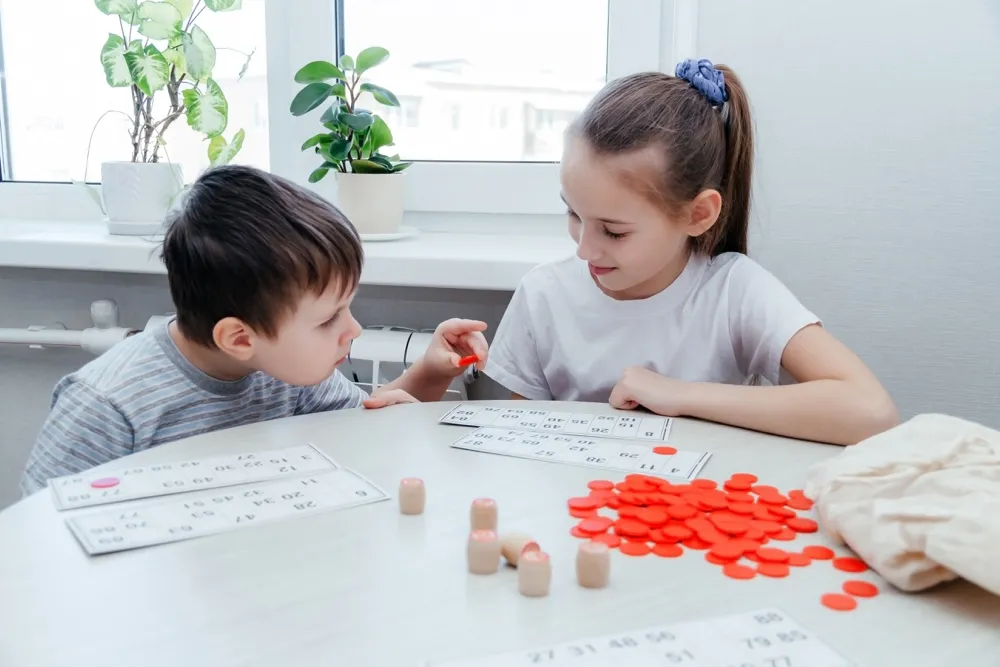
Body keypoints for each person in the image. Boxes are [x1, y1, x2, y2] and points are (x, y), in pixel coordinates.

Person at [484, 59, 897, 446]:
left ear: (698, 215)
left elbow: (872, 412)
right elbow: (523, 443)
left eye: (613, 231)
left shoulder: (734, 291)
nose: (584, 249)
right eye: (574, 213)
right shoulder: (543, 295)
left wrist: (680, 395)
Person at [20, 165, 488, 495]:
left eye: (347, 307)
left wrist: (431, 370)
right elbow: (40, 539)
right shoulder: (106, 406)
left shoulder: (288, 371)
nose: (354, 329)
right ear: (240, 339)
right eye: (328, 318)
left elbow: (366, 428)